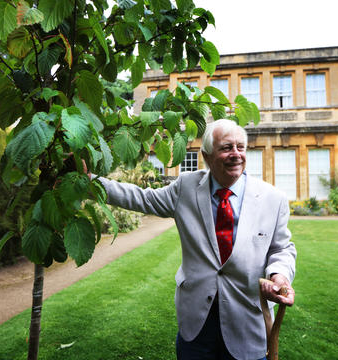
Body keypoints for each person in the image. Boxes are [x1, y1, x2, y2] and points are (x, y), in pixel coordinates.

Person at [92, 119, 296, 360]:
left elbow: (282, 249)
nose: (236, 155)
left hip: (247, 318)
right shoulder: (185, 188)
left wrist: (278, 275)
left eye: (241, 147)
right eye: (226, 148)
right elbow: (140, 198)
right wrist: (90, 181)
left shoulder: (273, 198)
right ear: (207, 156)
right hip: (196, 321)